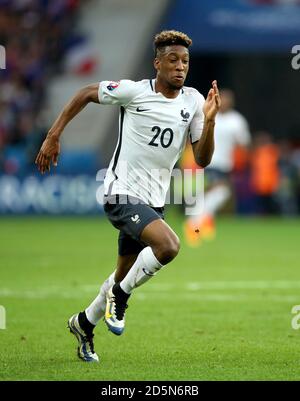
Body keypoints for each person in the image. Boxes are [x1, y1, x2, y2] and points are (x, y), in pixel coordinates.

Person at [35, 30, 221, 362]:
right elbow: (86, 92)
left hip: (153, 201)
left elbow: (204, 158)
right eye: (173, 60)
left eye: (186, 61)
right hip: (121, 193)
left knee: (123, 272)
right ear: (158, 63)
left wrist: (209, 122)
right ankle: (119, 297)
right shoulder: (134, 92)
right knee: (168, 246)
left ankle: (83, 323)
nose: (181, 67)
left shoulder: (193, 101)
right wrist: (53, 135)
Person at [183, 89, 251, 246]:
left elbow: (244, 143)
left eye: (228, 99)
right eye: (223, 99)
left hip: (226, 165)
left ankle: (200, 223)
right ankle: (196, 223)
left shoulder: (237, 120)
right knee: (220, 192)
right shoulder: (209, 114)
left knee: (215, 194)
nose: (225, 102)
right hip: (209, 161)